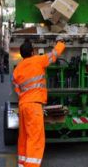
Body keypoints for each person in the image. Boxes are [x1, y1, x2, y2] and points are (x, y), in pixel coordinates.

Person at [12, 37, 65, 167]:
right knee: (35, 139)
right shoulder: (38, 60)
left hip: (23, 105)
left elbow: (17, 88)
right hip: (34, 105)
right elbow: (54, 55)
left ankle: (22, 164)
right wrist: (61, 43)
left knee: (24, 137)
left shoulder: (17, 69)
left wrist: (26, 96)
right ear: (32, 52)